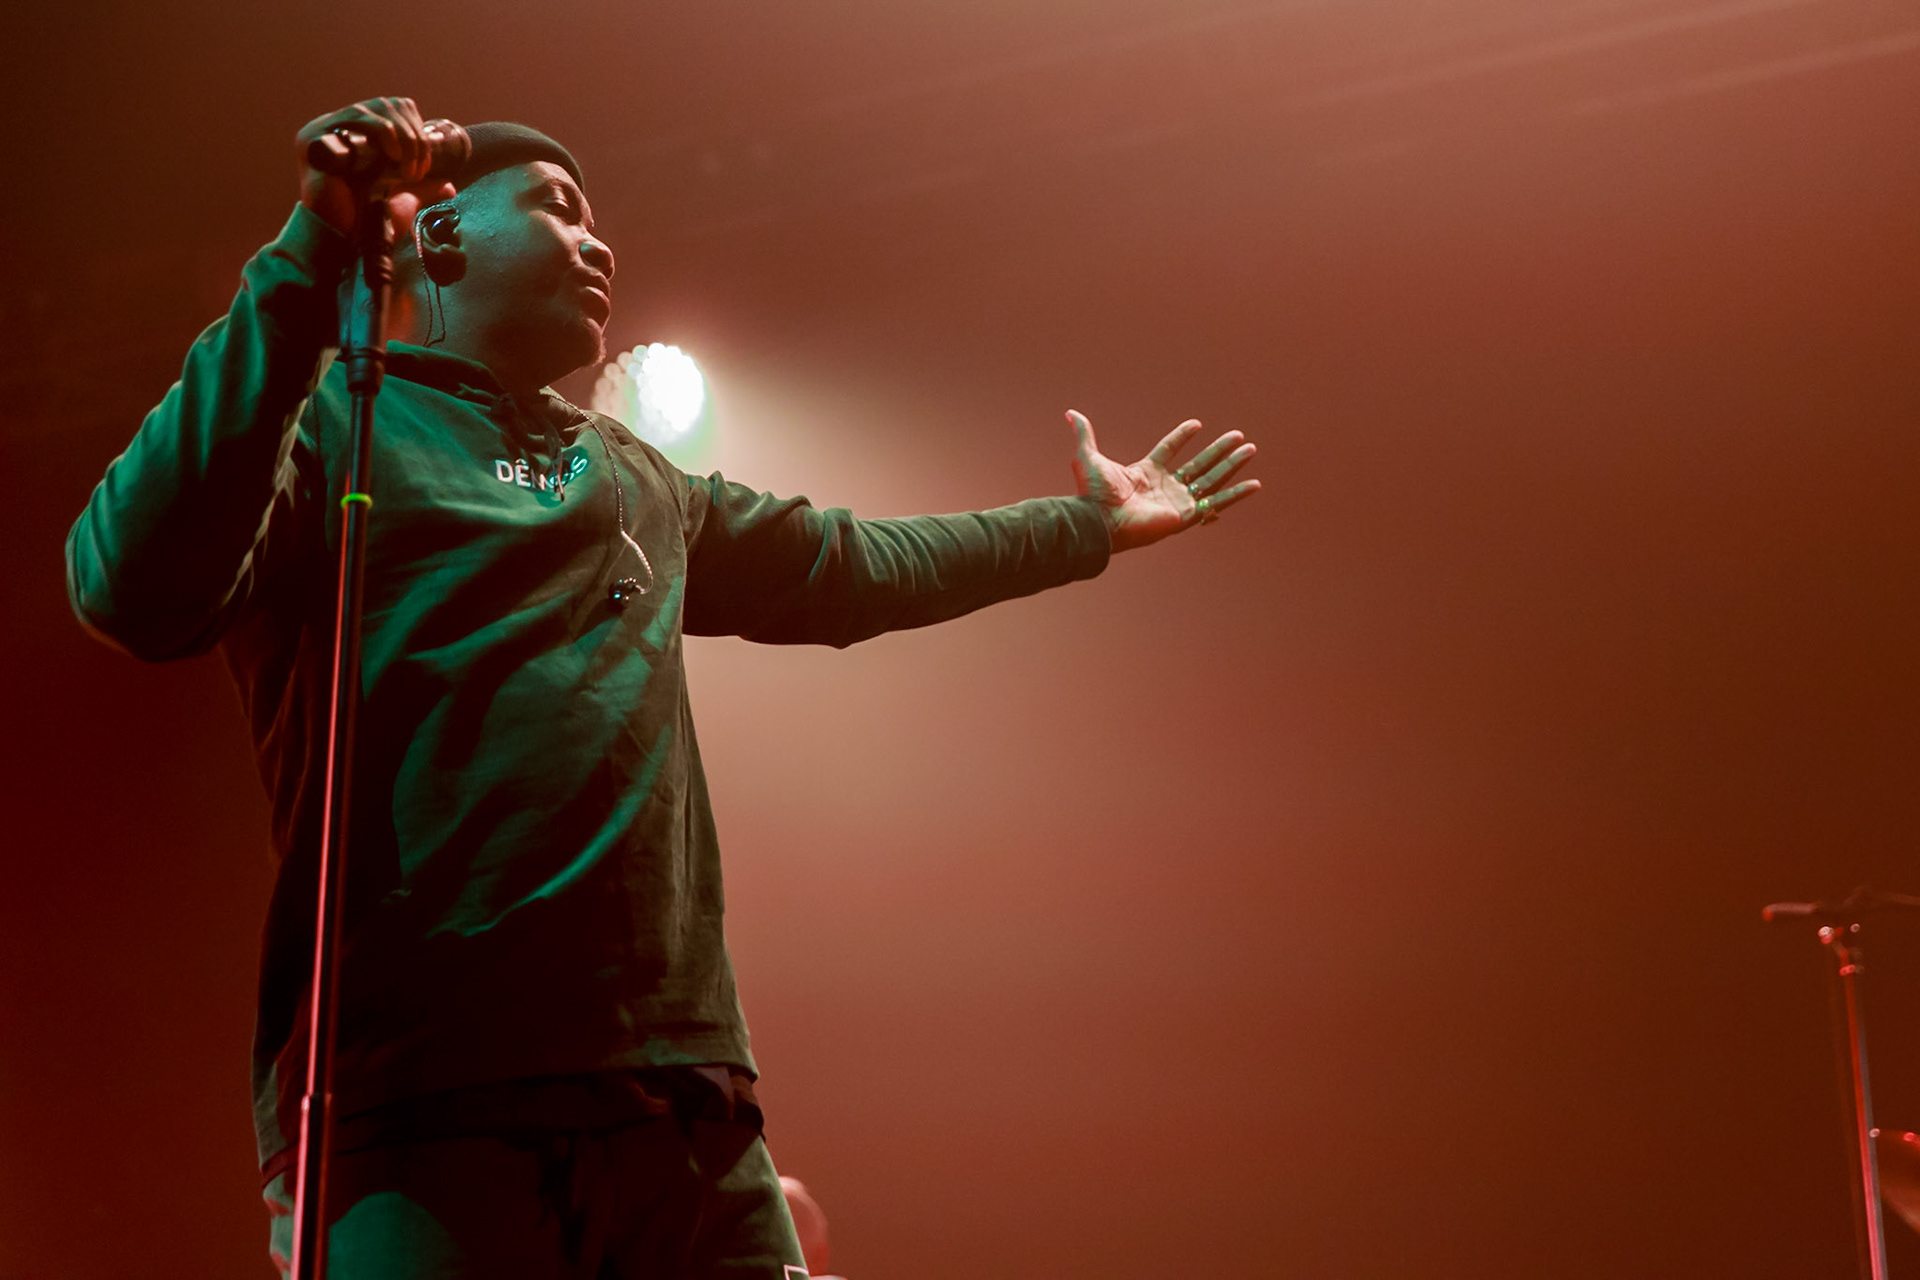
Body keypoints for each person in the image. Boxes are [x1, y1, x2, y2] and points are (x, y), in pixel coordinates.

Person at [65, 97, 1260, 1278]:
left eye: (601, 224)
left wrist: (1083, 525)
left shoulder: (635, 475)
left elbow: (852, 567)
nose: (599, 244)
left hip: (685, 1106)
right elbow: (125, 583)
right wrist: (307, 252)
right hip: (420, 1111)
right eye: (558, 210)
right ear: (438, 237)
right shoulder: (329, 424)